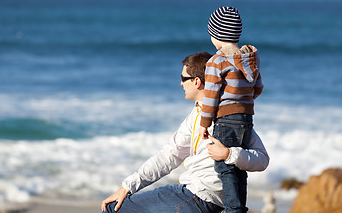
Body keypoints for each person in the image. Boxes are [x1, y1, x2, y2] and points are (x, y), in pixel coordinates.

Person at [101, 52, 268, 213]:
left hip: (198, 197)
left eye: (183, 78)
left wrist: (229, 154)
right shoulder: (220, 114)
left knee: (111, 209)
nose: (181, 83)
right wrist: (128, 187)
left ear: (197, 82)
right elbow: (169, 157)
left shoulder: (225, 117)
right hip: (208, 200)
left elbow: (262, 159)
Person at [199, 7, 263, 213]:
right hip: (246, 118)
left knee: (224, 165)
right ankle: (239, 207)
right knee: (239, 166)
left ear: (215, 36)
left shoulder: (216, 61)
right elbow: (258, 88)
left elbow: (211, 96)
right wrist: (243, 102)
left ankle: (233, 209)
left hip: (225, 119)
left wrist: (204, 124)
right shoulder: (251, 59)